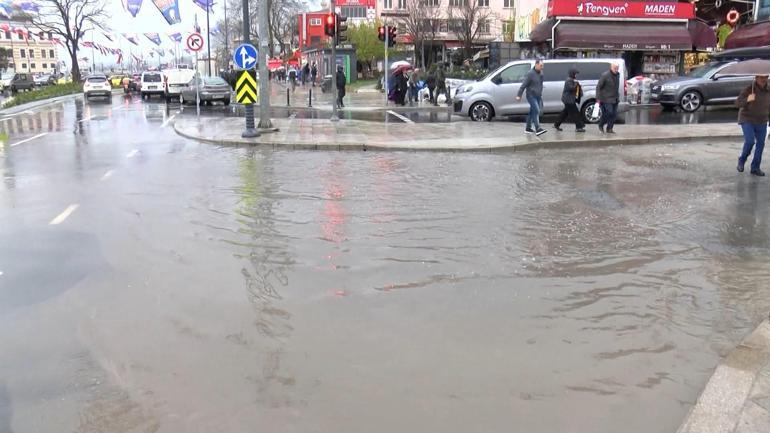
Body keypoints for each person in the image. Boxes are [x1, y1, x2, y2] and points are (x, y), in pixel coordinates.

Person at [735, 74, 770, 176]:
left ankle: (755, 168)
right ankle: (742, 160)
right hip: (747, 119)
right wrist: (747, 100)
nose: (763, 80)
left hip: (762, 120)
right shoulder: (749, 89)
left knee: (760, 144)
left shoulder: (769, 90)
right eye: (761, 77)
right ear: (756, 78)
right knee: (750, 141)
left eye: (765, 77)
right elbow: (737, 103)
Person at [516, 59, 546, 136]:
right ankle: (538, 128)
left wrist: (540, 93)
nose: (542, 67)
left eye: (542, 66)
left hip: (538, 95)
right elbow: (524, 85)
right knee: (536, 110)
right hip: (531, 95)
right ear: (536, 65)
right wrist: (519, 95)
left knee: (532, 112)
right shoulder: (530, 74)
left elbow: (540, 84)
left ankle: (528, 128)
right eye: (540, 65)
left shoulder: (541, 74)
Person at [554, 68, 585, 132]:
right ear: (572, 74)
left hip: (569, 99)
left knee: (565, 113)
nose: (576, 75)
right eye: (575, 74)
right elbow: (571, 88)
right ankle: (579, 127)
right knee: (575, 113)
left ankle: (557, 124)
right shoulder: (569, 80)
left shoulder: (571, 80)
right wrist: (576, 84)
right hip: (568, 100)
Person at [597, 63, 620, 134]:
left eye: (617, 68)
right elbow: (598, 87)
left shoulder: (617, 75)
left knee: (614, 114)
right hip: (606, 98)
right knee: (608, 113)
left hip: (615, 98)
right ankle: (601, 125)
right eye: (615, 68)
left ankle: (609, 128)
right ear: (611, 67)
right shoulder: (605, 75)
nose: (616, 70)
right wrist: (598, 98)